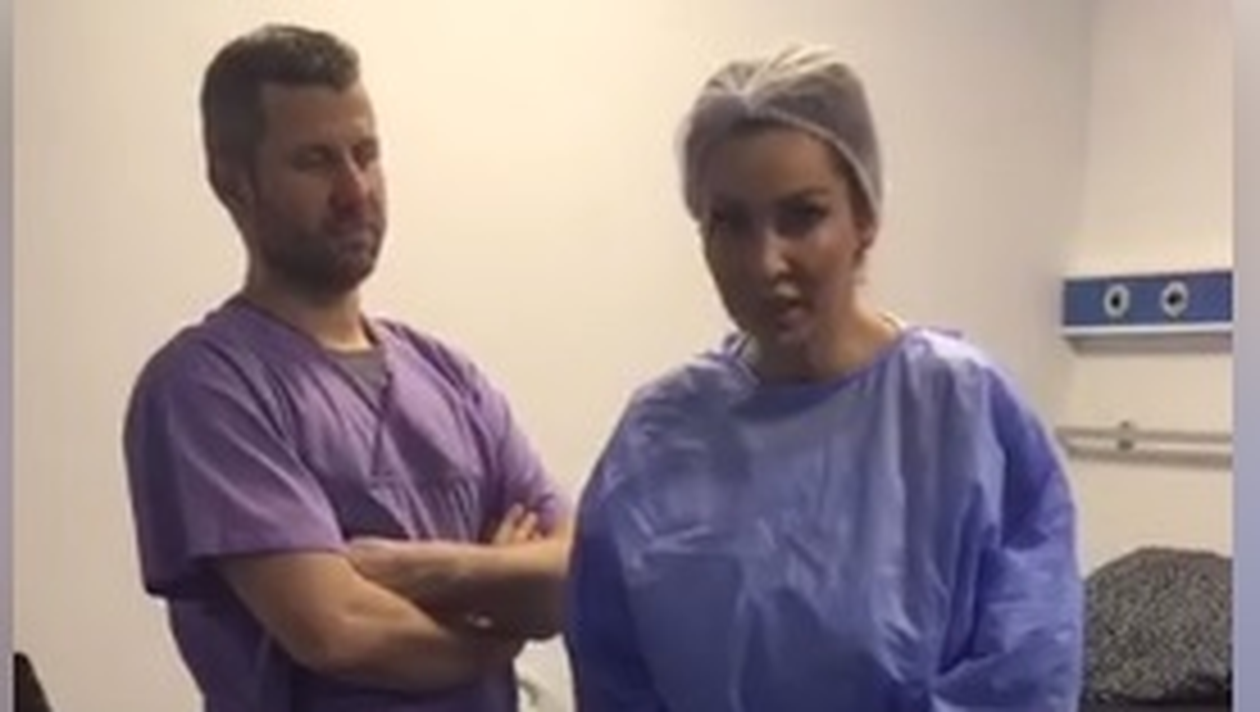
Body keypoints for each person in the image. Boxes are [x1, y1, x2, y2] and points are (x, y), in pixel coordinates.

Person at [564, 44, 1084, 711]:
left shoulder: (962, 413)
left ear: (864, 218)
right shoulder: (657, 439)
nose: (765, 262)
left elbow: (1023, 677)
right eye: (730, 223)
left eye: (802, 216)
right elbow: (614, 673)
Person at [122, 24, 572, 712]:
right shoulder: (207, 388)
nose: (355, 192)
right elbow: (339, 630)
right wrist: (498, 624)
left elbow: (573, 578)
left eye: (366, 154)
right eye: (315, 161)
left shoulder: (451, 378)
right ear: (232, 182)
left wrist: (434, 570)